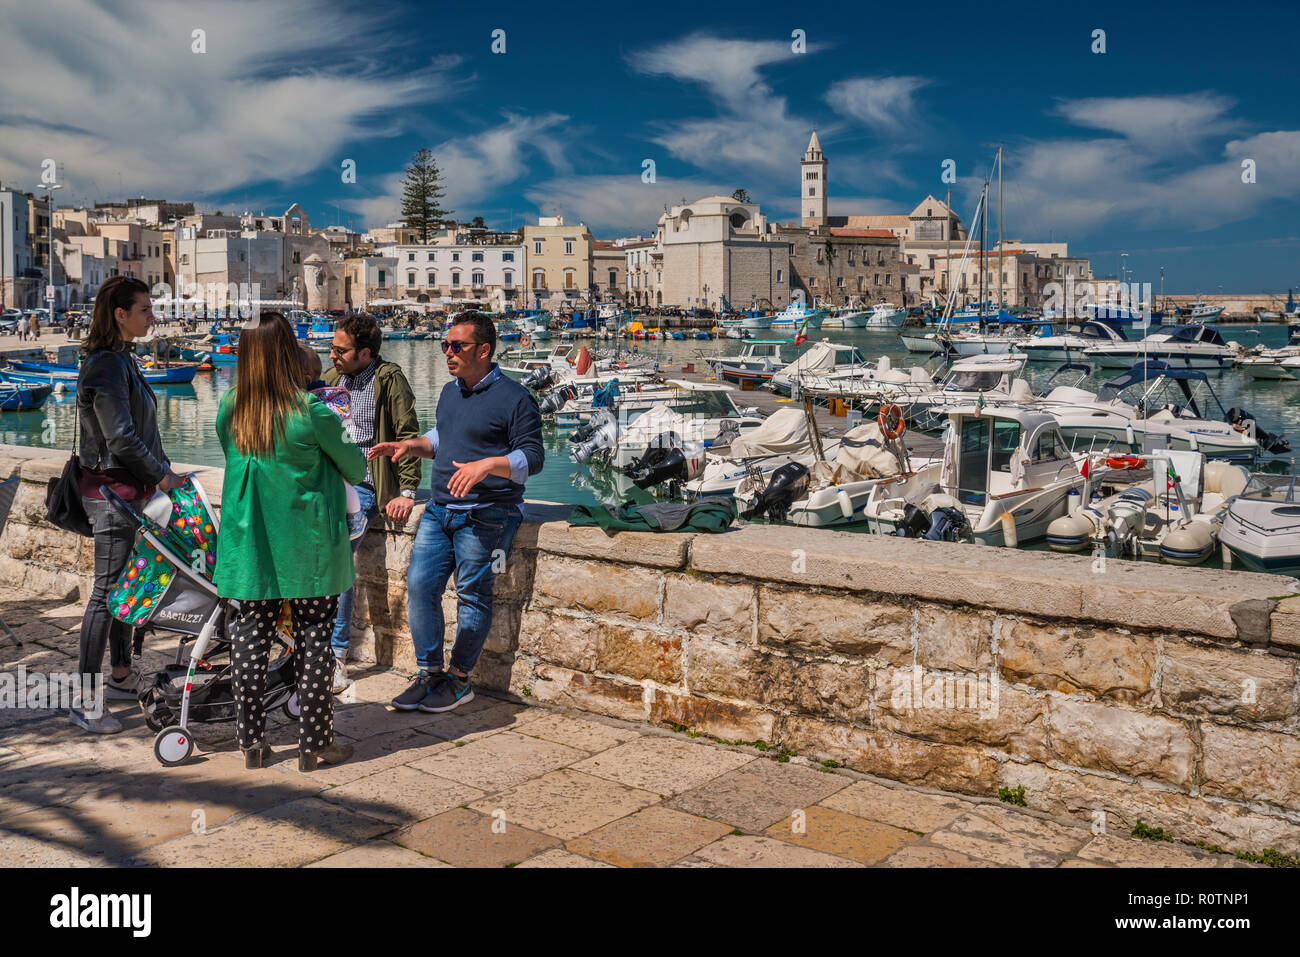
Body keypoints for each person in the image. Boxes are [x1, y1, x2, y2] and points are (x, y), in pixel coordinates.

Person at [214, 311, 365, 771]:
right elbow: (356, 468)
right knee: (315, 639)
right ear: (286, 352)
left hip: (250, 544)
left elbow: (230, 450)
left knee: (249, 638)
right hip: (309, 547)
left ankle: (252, 743)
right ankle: (314, 744)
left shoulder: (231, 405)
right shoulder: (312, 411)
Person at [371, 311, 543, 714]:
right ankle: (429, 674)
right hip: (439, 510)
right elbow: (443, 435)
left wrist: (487, 465)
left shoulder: (517, 398)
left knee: (474, 596)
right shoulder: (451, 392)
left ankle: (460, 680)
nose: (448, 352)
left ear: (483, 350)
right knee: (419, 588)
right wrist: (411, 445)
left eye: (456, 346)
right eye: (445, 345)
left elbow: (533, 457)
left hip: (487, 515)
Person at [73, 276, 183, 734]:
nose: (152, 317)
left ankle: (119, 674)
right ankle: (84, 701)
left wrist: (160, 472)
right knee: (104, 593)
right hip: (111, 494)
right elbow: (119, 435)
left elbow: (142, 430)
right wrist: (161, 474)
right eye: (144, 309)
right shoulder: (105, 365)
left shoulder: (121, 359)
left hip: (128, 492)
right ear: (120, 314)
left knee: (121, 589)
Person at [321, 314, 420, 692]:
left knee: (339, 556)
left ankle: (336, 656)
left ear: (365, 353)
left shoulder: (388, 380)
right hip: (330, 481)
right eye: (332, 347)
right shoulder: (331, 381)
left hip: (365, 485)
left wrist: (408, 490)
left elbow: (407, 433)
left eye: (340, 349)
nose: (332, 354)